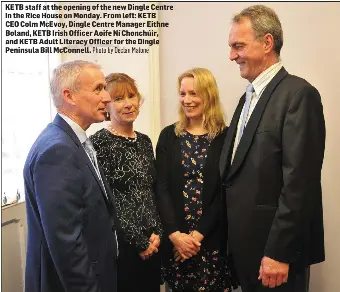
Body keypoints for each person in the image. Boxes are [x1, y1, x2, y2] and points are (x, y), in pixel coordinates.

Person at [219, 5, 326, 292]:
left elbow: (300, 184)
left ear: (267, 43)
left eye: (238, 46)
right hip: (246, 253)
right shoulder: (247, 99)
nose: (231, 55)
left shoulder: (298, 95)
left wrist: (279, 252)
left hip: (275, 257)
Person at [23, 60, 119, 292]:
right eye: (98, 89)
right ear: (69, 95)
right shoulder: (58, 150)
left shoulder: (71, 140)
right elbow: (66, 242)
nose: (107, 97)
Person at [156, 68, 233, 292]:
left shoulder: (226, 137)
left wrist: (196, 237)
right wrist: (176, 236)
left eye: (193, 93)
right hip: (177, 241)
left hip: (211, 240)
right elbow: (161, 188)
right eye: (182, 94)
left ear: (209, 95)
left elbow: (224, 192)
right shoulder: (169, 135)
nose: (186, 100)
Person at [90, 73, 163, 292]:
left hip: (153, 242)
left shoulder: (144, 141)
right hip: (123, 246)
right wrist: (139, 243)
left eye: (132, 96)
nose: (128, 104)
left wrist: (157, 232)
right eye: (119, 99)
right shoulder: (99, 143)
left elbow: (151, 191)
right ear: (107, 106)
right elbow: (108, 201)